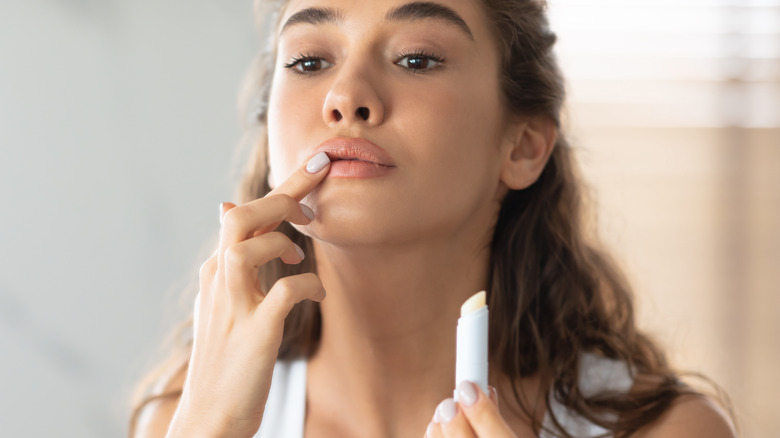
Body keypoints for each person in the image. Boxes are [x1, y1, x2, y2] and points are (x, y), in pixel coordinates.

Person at [129, 0, 737, 436]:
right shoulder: (184, 420)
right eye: (310, 61)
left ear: (521, 145)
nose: (346, 97)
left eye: (417, 59)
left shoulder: (668, 432)